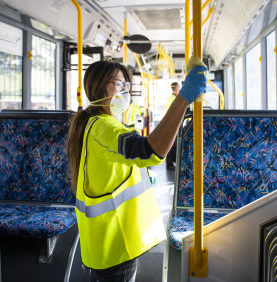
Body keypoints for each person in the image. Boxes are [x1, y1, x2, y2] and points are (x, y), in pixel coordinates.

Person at [67, 57, 206, 281]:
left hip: (103, 240)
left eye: (126, 85)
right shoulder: (103, 126)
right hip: (115, 242)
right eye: (119, 84)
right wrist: (183, 99)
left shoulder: (92, 122)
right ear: (100, 86)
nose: (125, 91)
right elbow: (152, 150)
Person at [165, 82, 181, 170]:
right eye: (179, 87)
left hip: (175, 123)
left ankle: (172, 162)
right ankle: (169, 163)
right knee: (172, 144)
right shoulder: (173, 99)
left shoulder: (174, 98)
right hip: (173, 124)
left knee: (174, 144)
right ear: (176, 88)